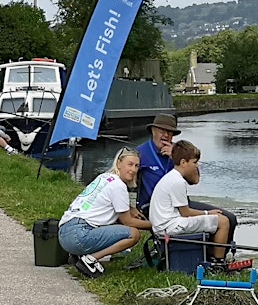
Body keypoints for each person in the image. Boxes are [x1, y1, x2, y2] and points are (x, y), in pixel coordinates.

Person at [135, 113, 238, 245]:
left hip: (181, 204)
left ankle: (214, 255)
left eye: (170, 132)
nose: (166, 135)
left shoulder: (178, 150)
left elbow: (195, 180)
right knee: (217, 220)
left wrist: (175, 157)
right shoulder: (140, 153)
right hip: (155, 207)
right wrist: (131, 208)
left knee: (230, 218)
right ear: (153, 130)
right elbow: (125, 180)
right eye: (162, 131)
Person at [58, 148, 152, 278]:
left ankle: (79, 254)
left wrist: (130, 208)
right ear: (119, 163)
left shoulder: (105, 177)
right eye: (130, 164)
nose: (134, 170)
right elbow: (127, 221)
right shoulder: (119, 186)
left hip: (64, 234)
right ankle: (90, 259)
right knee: (133, 234)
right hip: (79, 235)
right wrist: (154, 225)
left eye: (137, 166)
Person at [149, 140, 231, 262]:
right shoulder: (178, 182)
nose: (197, 165)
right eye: (195, 162)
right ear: (183, 162)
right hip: (170, 226)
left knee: (215, 220)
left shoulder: (171, 177)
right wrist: (208, 213)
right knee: (223, 221)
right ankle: (218, 262)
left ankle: (211, 257)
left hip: (164, 224)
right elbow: (185, 213)